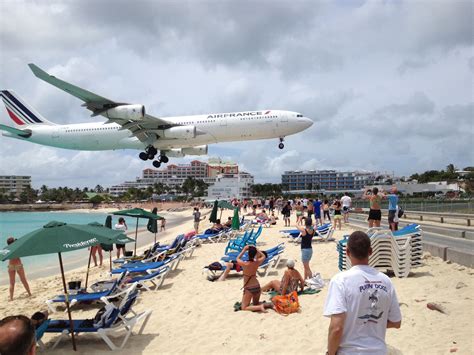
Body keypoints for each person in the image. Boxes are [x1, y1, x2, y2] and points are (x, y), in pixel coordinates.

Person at [323, 231, 402, 355]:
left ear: (347, 252)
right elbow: (396, 322)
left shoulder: (340, 280)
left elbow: (337, 328)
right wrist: (372, 324)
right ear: (370, 251)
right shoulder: (386, 281)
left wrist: (330, 353)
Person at [237, 245, 267, 312]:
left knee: (244, 307)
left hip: (249, 288)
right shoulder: (257, 262)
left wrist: (244, 249)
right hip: (257, 286)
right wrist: (257, 249)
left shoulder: (245, 264)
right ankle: (263, 306)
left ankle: (260, 307)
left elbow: (238, 258)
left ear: (248, 254)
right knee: (255, 304)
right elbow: (264, 256)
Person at [6, 237, 32, 302]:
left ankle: (11, 298)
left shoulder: (7, 249)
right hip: (18, 264)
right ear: (13, 242)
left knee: (12, 283)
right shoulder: (16, 247)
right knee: (23, 280)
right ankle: (29, 293)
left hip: (11, 265)